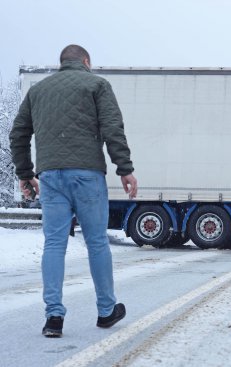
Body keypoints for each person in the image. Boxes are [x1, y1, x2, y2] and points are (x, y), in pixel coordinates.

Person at [10, 44, 138, 337]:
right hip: (87, 175)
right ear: (85, 61)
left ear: (62, 63)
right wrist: (125, 168)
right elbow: (112, 127)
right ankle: (106, 311)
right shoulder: (97, 84)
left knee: (54, 244)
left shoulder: (38, 91)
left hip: (51, 176)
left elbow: (18, 133)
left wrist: (26, 174)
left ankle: (53, 317)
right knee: (96, 242)